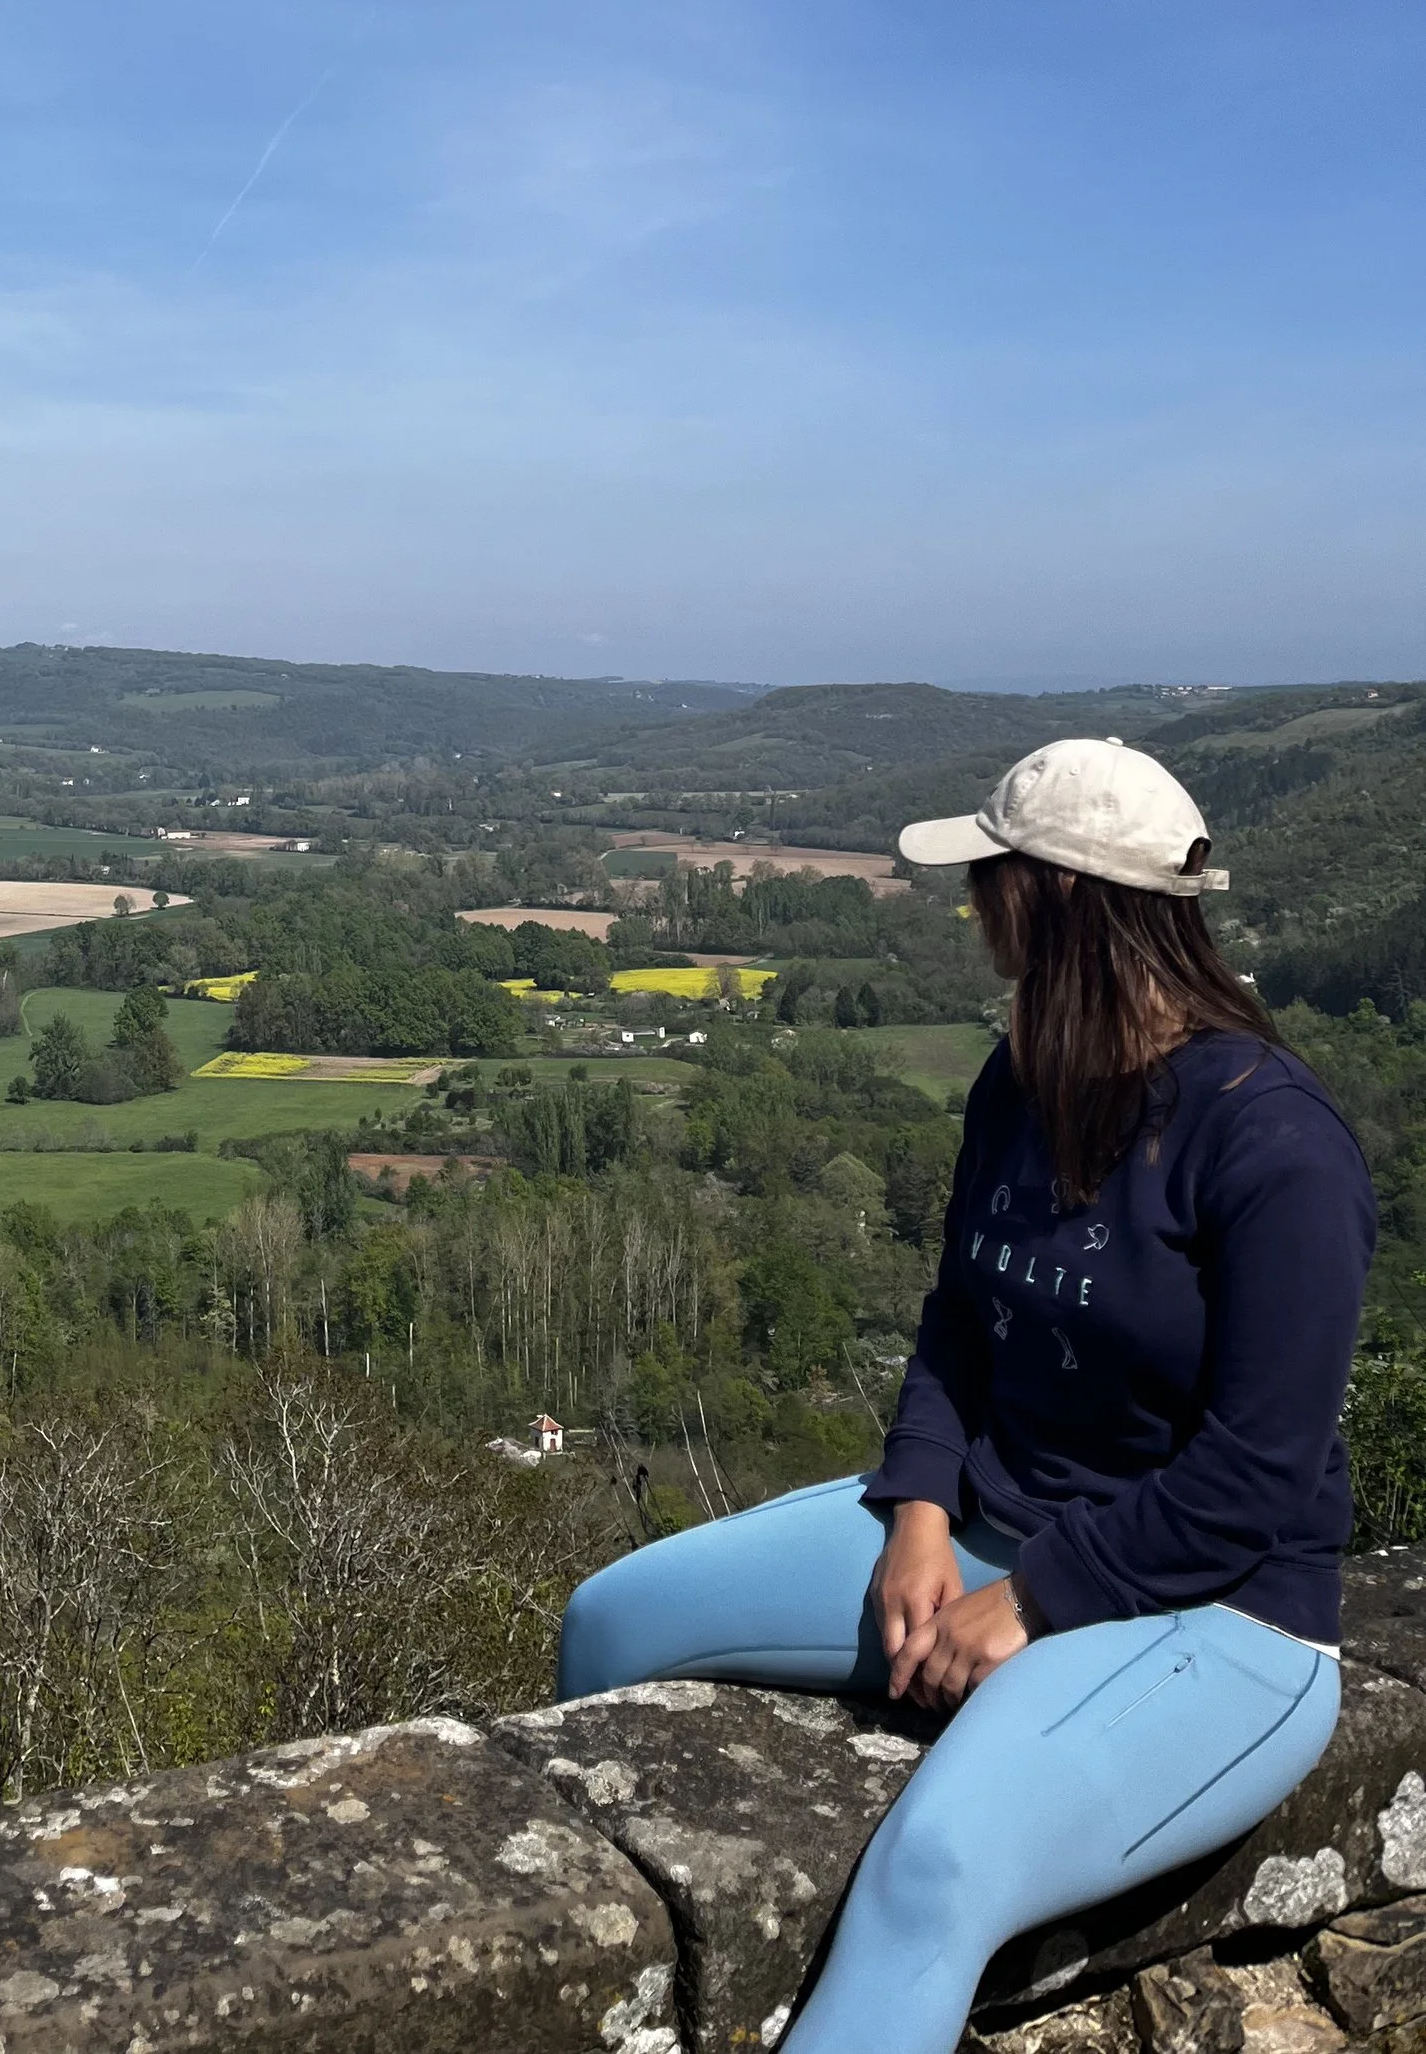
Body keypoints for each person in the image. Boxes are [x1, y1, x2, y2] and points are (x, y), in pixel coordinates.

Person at [555, 738, 1375, 2054]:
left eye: (986, 881)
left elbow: (1255, 1479)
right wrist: (923, 1514)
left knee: (935, 1871)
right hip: (996, 1523)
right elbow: (956, 1323)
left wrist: (1036, 1604)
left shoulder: (1273, 1142)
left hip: (1228, 1617)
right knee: (609, 1628)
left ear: (1048, 899)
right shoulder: (1026, 1078)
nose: (972, 908)